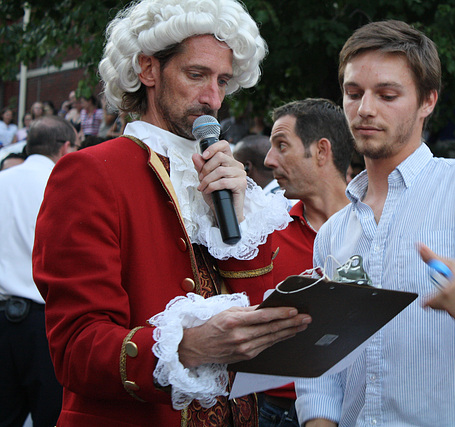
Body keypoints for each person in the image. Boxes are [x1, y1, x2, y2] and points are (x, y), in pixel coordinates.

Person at [31, 1, 311, 425]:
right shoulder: (90, 172)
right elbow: (75, 347)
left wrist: (234, 220)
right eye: (196, 75)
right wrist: (187, 346)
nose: (213, 98)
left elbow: (257, 321)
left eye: (223, 81)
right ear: (148, 69)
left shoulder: (226, 176)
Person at [294, 20, 455, 427]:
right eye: (353, 93)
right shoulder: (332, 233)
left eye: (388, 94)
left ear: (427, 101)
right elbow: (324, 360)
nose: (365, 109)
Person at [220, 98, 354, 427]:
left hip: (357, 408)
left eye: (282, 145)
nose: (269, 160)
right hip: (272, 410)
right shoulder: (262, 230)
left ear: (322, 151)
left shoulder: (379, 229)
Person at [0, 115, 80, 427]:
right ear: (65, 147)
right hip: (43, 323)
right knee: (53, 418)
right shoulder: (65, 184)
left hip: (5, 316)